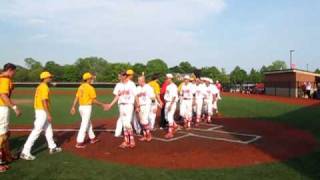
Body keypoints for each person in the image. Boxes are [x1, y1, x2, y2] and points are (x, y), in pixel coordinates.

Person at [20, 71, 62, 161]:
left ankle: (52, 147)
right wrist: (48, 114)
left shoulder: (41, 86)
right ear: (45, 78)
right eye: (50, 77)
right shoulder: (44, 87)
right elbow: (44, 101)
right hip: (42, 111)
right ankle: (25, 152)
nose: (51, 78)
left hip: (40, 110)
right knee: (37, 131)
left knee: (48, 129)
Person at [70, 72, 106, 148]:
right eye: (91, 78)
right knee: (84, 124)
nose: (92, 79)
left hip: (81, 108)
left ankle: (92, 138)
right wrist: (102, 104)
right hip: (86, 108)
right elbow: (93, 100)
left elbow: (77, 97)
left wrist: (73, 106)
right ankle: (79, 142)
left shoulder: (80, 87)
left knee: (88, 123)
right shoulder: (90, 88)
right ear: (88, 79)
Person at [105, 72, 138, 148]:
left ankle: (132, 140)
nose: (118, 77)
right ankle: (126, 141)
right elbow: (117, 96)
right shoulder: (118, 85)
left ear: (124, 76)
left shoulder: (131, 84)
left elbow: (135, 95)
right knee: (124, 123)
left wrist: (137, 106)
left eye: (120, 76)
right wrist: (110, 105)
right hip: (121, 105)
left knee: (127, 123)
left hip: (129, 105)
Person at [0, 63, 21, 172]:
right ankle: (0, 163)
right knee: (2, 136)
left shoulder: (2, 78)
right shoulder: (5, 80)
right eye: (14, 71)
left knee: (7, 134)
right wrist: (14, 107)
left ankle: (7, 155)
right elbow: (3, 95)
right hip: (2, 108)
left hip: (1, 108)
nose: (14, 73)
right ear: (10, 70)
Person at [136, 75, 155, 141]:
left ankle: (149, 135)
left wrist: (154, 106)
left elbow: (153, 98)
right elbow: (136, 98)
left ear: (143, 80)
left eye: (139, 80)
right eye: (138, 80)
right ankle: (145, 135)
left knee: (144, 120)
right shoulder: (137, 88)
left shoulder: (148, 88)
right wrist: (137, 106)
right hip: (140, 106)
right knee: (141, 121)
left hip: (147, 105)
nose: (138, 81)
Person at [163, 74, 179, 139]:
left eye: (167, 78)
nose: (166, 79)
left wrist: (171, 105)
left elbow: (174, 96)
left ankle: (170, 132)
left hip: (171, 103)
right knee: (166, 117)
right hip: (167, 102)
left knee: (169, 117)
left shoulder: (173, 86)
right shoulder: (168, 86)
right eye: (166, 78)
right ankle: (175, 126)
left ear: (170, 78)